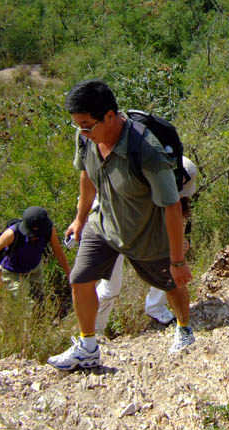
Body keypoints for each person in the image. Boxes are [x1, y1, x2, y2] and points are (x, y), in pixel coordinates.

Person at [47, 80, 193, 370]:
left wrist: (177, 260)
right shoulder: (86, 139)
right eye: (78, 126)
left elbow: (171, 205)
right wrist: (80, 218)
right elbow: (87, 175)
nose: (83, 132)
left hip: (145, 234)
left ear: (110, 116)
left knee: (171, 284)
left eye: (87, 125)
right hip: (103, 224)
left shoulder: (146, 151)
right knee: (80, 279)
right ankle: (88, 346)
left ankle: (184, 328)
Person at [95, 156, 198, 333]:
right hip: (110, 226)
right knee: (111, 288)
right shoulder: (135, 187)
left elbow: (174, 222)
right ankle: (92, 332)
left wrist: (178, 245)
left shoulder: (171, 196)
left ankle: (155, 307)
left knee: (172, 260)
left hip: (134, 231)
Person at [0, 206, 71, 301]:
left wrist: (70, 275)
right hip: (12, 273)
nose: (35, 237)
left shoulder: (49, 230)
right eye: (32, 234)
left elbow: (59, 253)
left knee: (40, 300)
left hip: (35, 269)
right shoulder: (12, 233)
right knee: (26, 303)